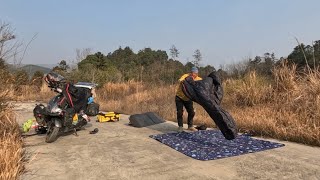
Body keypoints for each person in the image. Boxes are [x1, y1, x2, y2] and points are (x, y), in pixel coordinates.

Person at [175, 66, 202, 132]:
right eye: (193, 73)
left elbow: (203, 83)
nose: (195, 75)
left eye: (196, 73)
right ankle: (180, 127)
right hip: (179, 97)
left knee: (191, 112)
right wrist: (183, 81)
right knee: (180, 112)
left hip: (188, 98)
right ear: (191, 73)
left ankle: (190, 126)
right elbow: (180, 80)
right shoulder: (186, 76)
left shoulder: (198, 79)